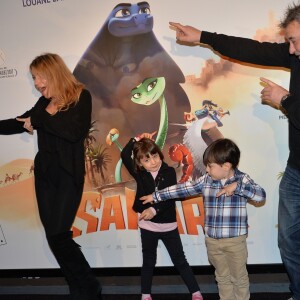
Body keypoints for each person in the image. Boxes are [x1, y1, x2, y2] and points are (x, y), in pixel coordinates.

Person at [168, 4, 300, 298]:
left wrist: (286, 100)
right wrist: (203, 36)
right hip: (296, 170)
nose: (290, 50)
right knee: (289, 242)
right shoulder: (296, 57)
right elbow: (252, 50)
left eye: (293, 40)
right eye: (289, 41)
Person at [0, 53, 102, 300]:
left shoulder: (80, 96)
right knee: (55, 237)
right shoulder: (41, 105)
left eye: (38, 76)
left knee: (58, 234)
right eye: (34, 78)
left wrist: (40, 118)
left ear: (53, 73)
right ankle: (79, 289)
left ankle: (90, 288)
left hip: (68, 175)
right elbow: (19, 122)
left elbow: (73, 132)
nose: (36, 83)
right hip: (45, 177)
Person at [141, 138, 266, 300]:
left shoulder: (242, 179)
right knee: (222, 277)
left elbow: (261, 196)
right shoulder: (206, 181)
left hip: (235, 241)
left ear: (226, 166)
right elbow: (182, 189)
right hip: (213, 241)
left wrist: (237, 187)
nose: (206, 170)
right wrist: (156, 196)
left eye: (210, 166)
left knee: (239, 278)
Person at [121, 134, 203, 300]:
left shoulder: (169, 171)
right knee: (149, 262)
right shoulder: (140, 174)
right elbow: (124, 155)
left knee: (180, 261)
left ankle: (196, 292)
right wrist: (134, 140)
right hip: (148, 227)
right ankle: (145, 295)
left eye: (155, 156)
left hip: (168, 225)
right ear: (139, 163)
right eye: (147, 159)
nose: (153, 161)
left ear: (160, 154)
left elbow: (169, 197)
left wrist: (154, 210)